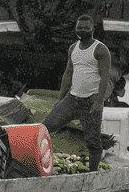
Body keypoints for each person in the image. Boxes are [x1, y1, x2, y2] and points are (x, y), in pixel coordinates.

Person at [40, 15, 111, 172]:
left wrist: (99, 101)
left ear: (93, 29)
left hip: (91, 101)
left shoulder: (100, 49)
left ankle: (92, 173)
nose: (82, 30)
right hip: (72, 99)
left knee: (93, 142)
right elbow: (68, 73)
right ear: (75, 29)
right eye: (79, 27)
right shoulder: (73, 48)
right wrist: (60, 99)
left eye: (86, 28)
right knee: (45, 126)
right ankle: (37, 163)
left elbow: (105, 76)